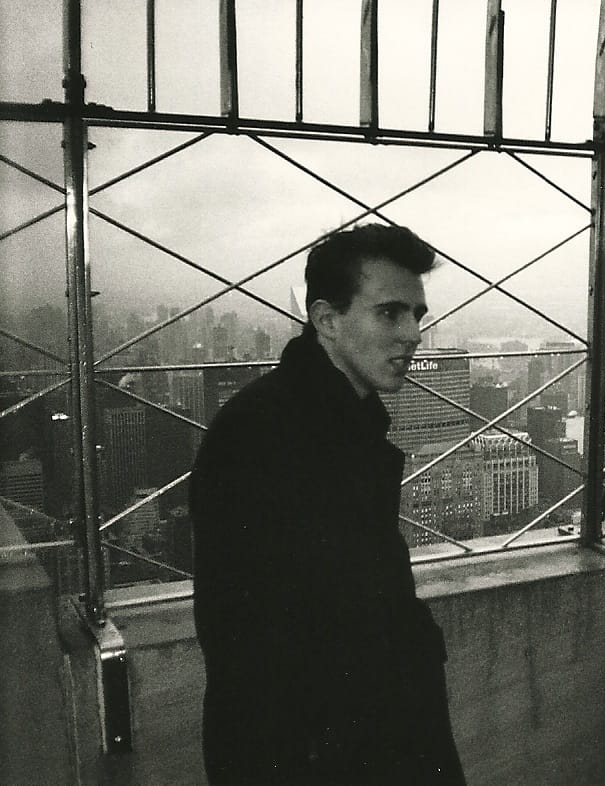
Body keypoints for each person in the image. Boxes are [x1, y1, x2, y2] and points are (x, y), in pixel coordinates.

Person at [190, 224, 465, 785]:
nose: (413, 333)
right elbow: (262, 637)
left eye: (418, 313)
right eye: (390, 313)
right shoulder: (265, 435)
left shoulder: (336, 421)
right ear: (326, 319)